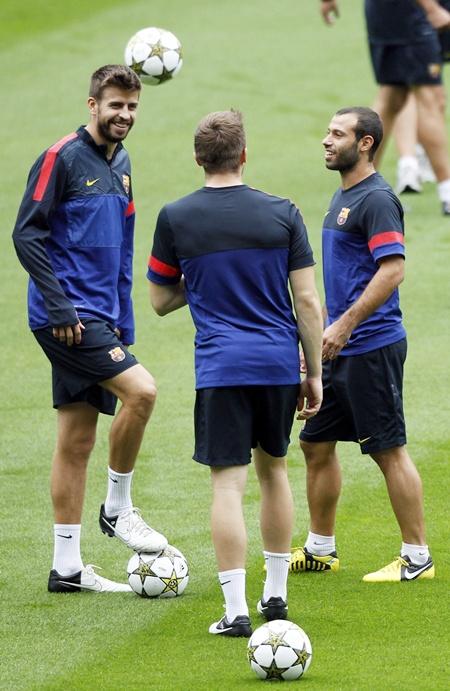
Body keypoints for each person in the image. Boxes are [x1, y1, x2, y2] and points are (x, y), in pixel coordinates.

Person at [147, 110, 323, 635]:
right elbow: (308, 302)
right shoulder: (283, 213)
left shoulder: (176, 217)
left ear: (198, 157)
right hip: (277, 365)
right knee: (275, 473)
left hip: (221, 368)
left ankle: (236, 610)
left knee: (227, 487)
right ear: (244, 154)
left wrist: (200, 281)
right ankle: (275, 597)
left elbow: (158, 300)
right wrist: (313, 373)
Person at [13, 65, 167, 594]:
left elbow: (124, 249)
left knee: (76, 440)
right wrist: (59, 308)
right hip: (67, 321)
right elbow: (25, 234)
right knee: (142, 393)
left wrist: (124, 323)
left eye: (132, 107)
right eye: (114, 105)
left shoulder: (121, 164)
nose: (123, 115)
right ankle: (118, 508)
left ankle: (68, 568)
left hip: (101, 319)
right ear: (92, 105)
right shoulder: (61, 157)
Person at [290, 106, 434, 583]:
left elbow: (393, 269)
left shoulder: (376, 199)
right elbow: (345, 280)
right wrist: (318, 337)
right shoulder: (344, 195)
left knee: (387, 449)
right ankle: (321, 548)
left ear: (365, 142)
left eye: (337, 134)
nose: (327, 141)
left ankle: (417, 557)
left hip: (371, 345)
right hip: (339, 347)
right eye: (327, 131)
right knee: (316, 444)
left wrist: (346, 324)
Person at [319, 0, 450, 214]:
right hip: (411, 15)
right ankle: (447, 192)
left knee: (393, 95)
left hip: (383, 14)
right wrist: (432, 9)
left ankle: (359, 190)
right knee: (430, 96)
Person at [394, 0, 450, 193]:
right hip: (415, 12)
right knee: (405, 87)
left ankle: (422, 156)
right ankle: (410, 162)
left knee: (430, 91)